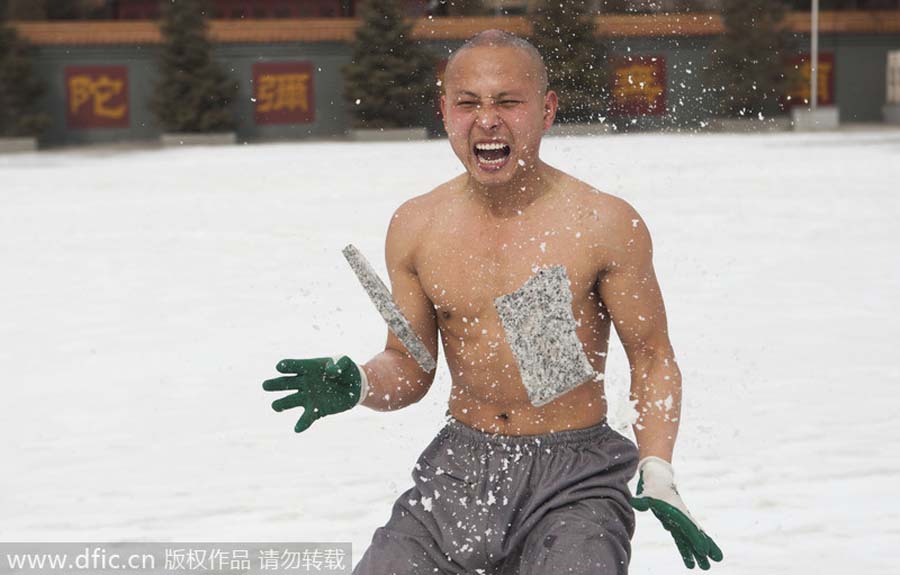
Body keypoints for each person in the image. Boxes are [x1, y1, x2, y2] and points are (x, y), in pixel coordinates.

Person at [263, 30, 723, 574]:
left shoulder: (601, 223)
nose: (487, 120)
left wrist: (659, 467)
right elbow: (411, 365)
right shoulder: (417, 226)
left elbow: (651, 357)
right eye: (468, 103)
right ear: (444, 111)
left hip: (573, 481)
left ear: (546, 110)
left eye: (508, 102)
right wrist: (360, 381)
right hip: (457, 473)